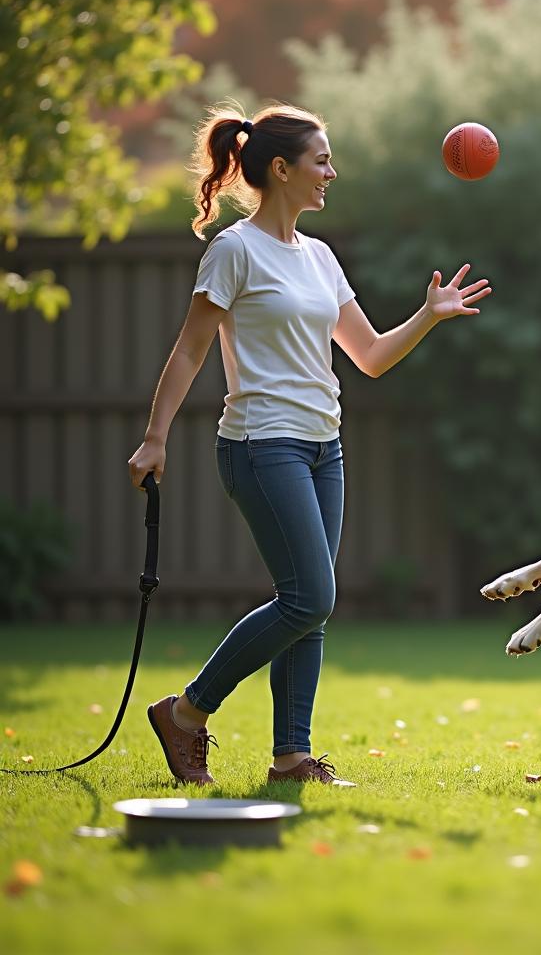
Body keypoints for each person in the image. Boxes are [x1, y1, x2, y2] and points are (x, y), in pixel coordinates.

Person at [127, 104, 490, 787]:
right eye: (321, 160)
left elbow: (371, 356)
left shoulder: (319, 257)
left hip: (325, 446)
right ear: (281, 168)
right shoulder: (234, 250)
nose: (332, 172)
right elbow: (188, 352)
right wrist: (154, 439)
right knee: (310, 597)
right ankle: (186, 712)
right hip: (262, 446)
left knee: (306, 603)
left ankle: (291, 758)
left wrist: (429, 315)